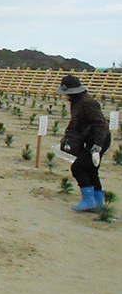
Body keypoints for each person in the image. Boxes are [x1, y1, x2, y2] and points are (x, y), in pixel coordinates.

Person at [57, 74, 111, 212]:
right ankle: (98, 202)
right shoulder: (77, 102)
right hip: (90, 139)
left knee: (78, 168)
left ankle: (89, 200)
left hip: (98, 140)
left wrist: (97, 146)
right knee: (91, 170)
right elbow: (76, 122)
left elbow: (101, 124)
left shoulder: (87, 103)